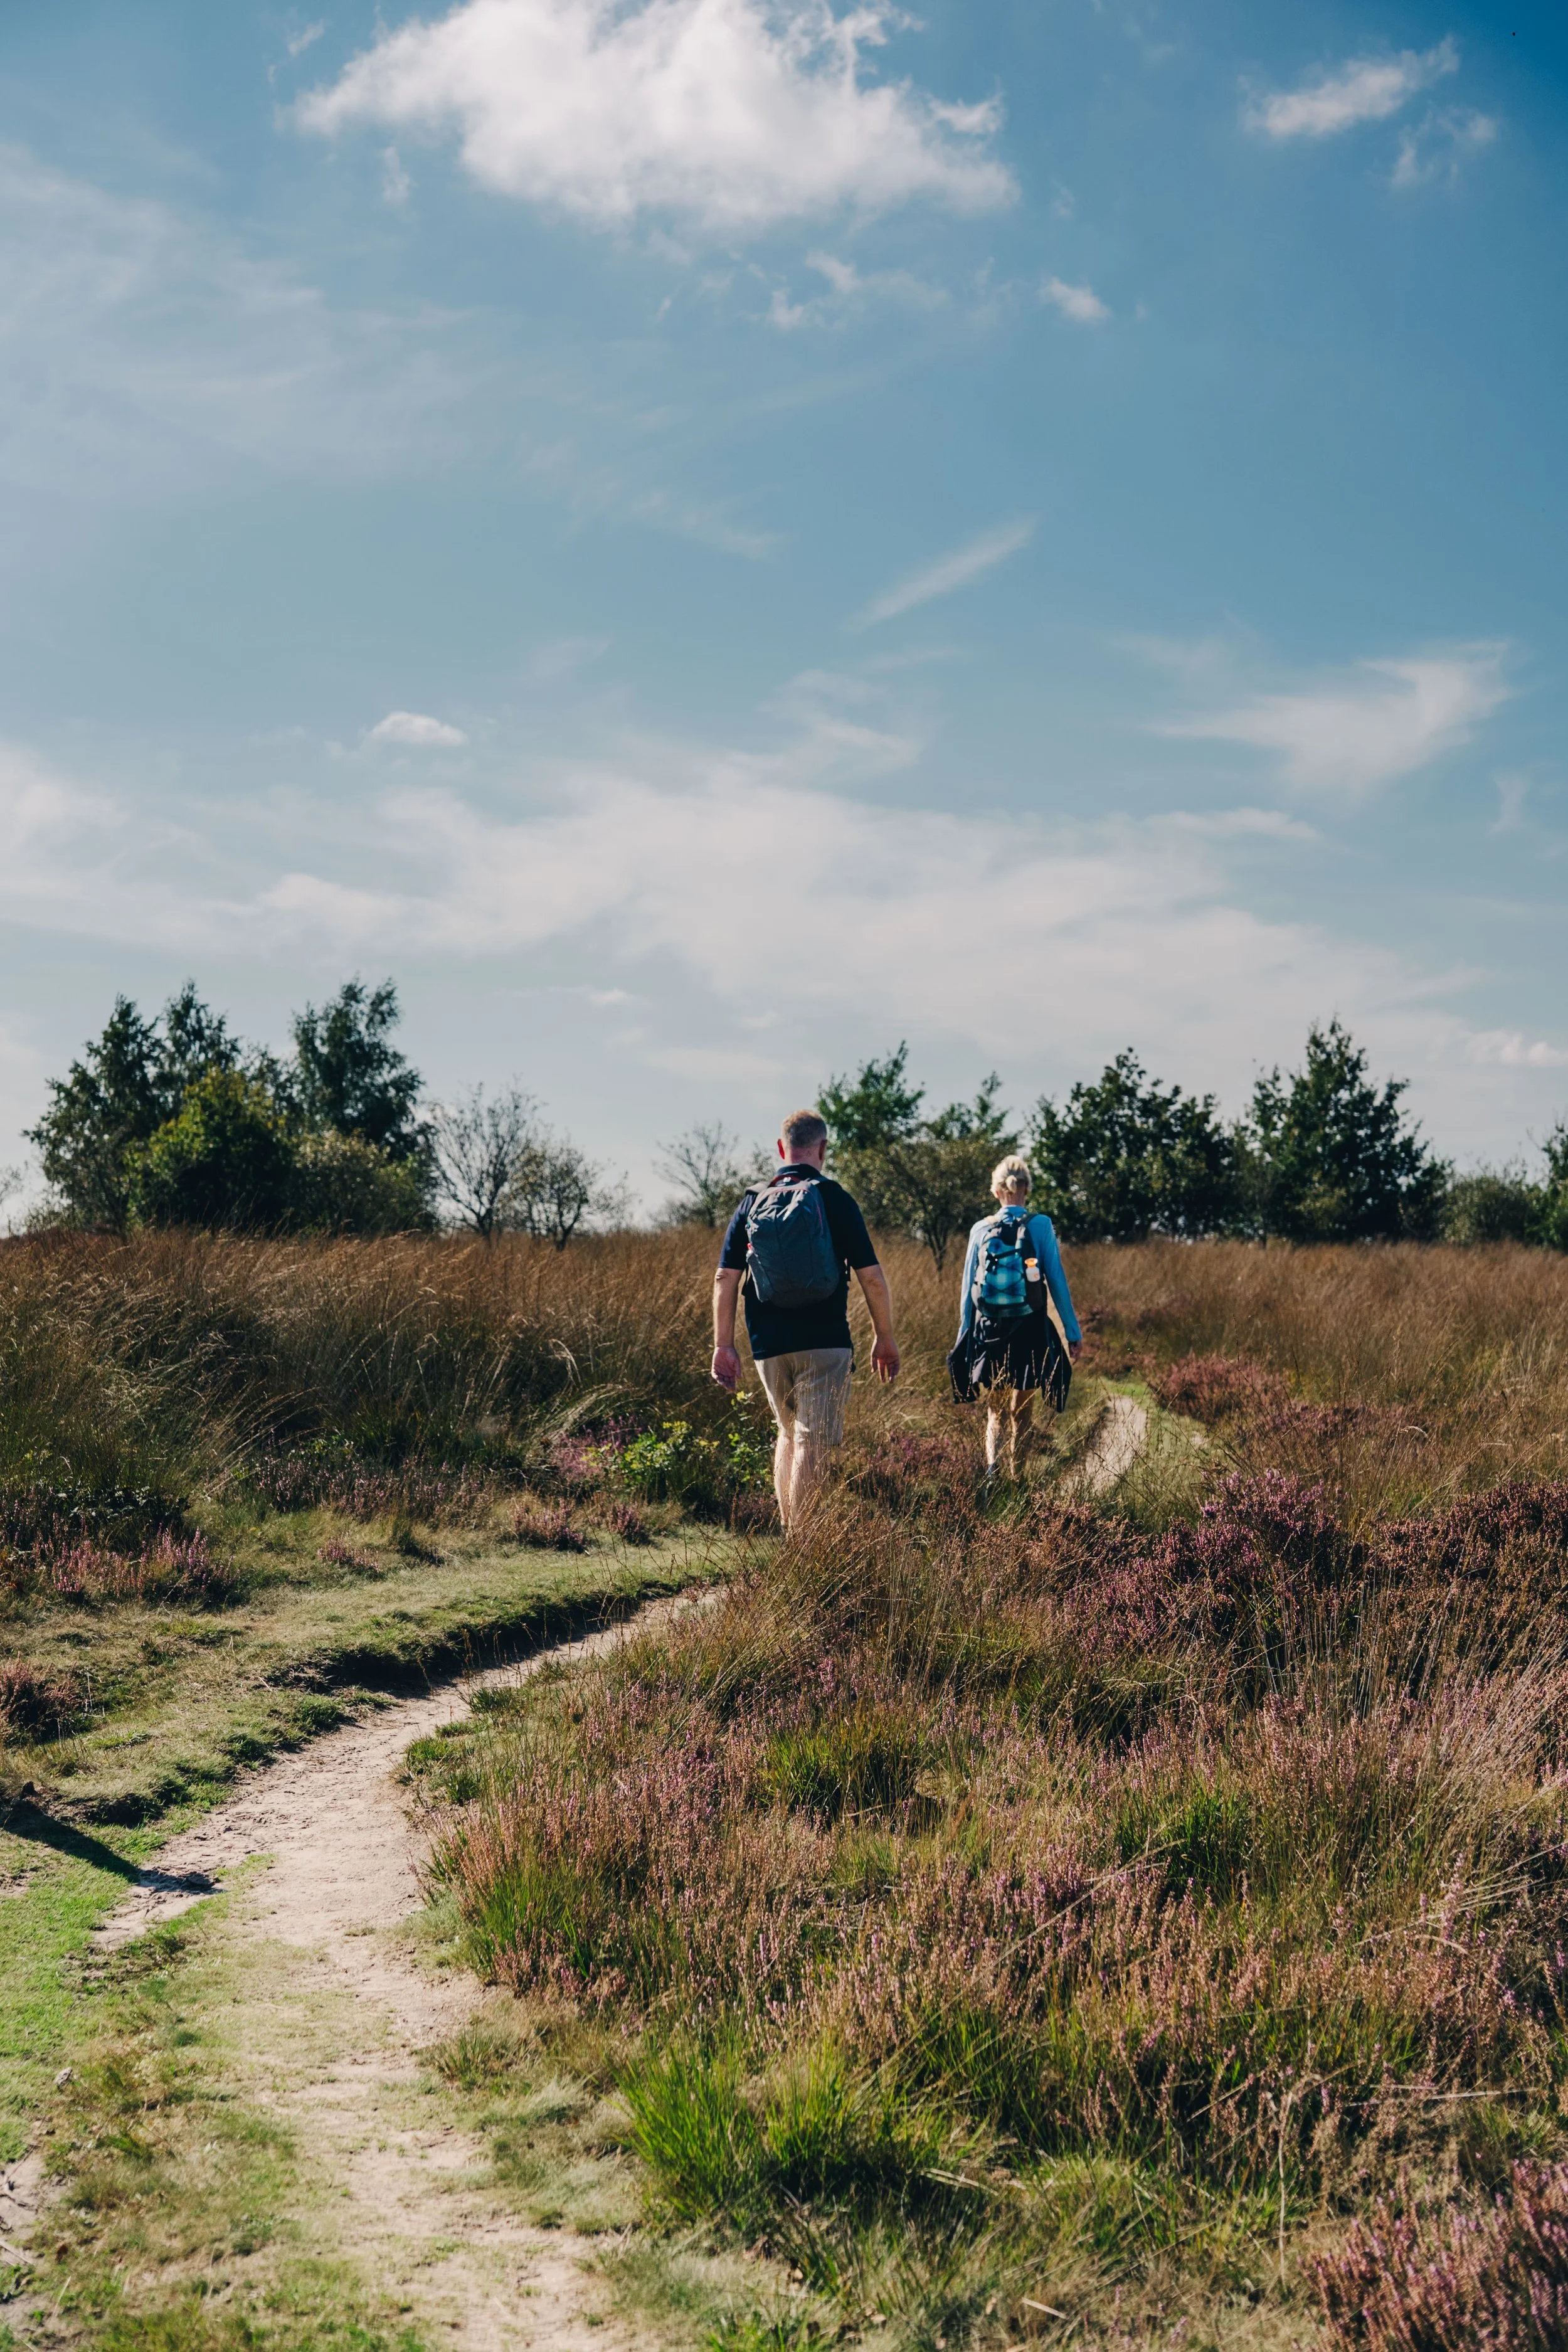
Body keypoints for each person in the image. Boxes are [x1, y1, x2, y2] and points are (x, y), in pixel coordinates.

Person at [712, 1109, 900, 1530]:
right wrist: (883, 1336)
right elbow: (871, 1277)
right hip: (825, 1341)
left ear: (783, 1148)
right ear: (823, 1148)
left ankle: (790, 1537)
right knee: (812, 1445)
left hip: (768, 1344)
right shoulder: (834, 1197)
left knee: (787, 1434)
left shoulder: (753, 1199)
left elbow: (726, 1276)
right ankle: (803, 1549)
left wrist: (724, 1345)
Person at [950, 1154, 1082, 1483]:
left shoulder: (981, 1229)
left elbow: (968, 1292)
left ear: (997, 1192)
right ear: (1026, 1189)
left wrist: (963, 1339)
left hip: (989, 1332)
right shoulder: (1040, 1225)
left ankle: (993, 1475)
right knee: (1021, 1413)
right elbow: (1057, 1282)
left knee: (994, 1410)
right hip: (1029, 1331)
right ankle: (1017, 1480)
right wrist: (1072, 1332)